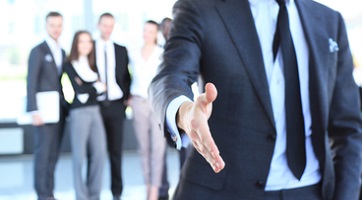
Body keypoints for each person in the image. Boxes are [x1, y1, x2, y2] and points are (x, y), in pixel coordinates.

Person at [149, 0, 362, 199]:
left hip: (311, 191)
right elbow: (170, 75)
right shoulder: (201, 8)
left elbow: (348, 127)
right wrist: (183, 110)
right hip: (224, 189)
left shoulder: (329, 20)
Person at [26, 11, 66, 200]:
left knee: (53, 155)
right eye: (52, 25)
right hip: (43, 112)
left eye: (59, 25)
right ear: (46, 26)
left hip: (57, 111)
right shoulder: (38, 51)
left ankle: (49, 192)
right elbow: (31, 82)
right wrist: (34, 111)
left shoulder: (62, 51)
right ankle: (42, 194)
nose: (56, 29)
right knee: (42, 154)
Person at [63, 30, 107, 200]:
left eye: (88, 41)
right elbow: (79, 91)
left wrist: (90, 89)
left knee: (99, 153)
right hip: (78, 113)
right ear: (76, 44)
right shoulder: (69, 64)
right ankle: (81, 196)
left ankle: (94, 195)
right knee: (79, 157)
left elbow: (97, 90)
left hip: (95, 111)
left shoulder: (93, 64)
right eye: (82, 41)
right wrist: (95, 87)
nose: (86, 45)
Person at [94, 12, 131, 200]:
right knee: (96, 151)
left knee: (116, 151)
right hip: (96, 106)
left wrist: (126, 97)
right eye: (104, 25)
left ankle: (117, 192)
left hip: (117, 106)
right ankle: (94, 191)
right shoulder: (89, 48)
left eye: (111, 25)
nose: (107, 29)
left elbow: (126, 76)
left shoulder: (121, 49)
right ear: (98, 26)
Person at [129, 20, 166, 200]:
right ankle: (147, 185)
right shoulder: (134, 53)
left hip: (156, 103)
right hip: (138, 102)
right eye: (145, 30)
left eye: (150, 31)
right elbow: (127, 76)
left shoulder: (162, 53)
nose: (147, 34)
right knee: (143, 148)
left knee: (157, 148)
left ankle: (154, 190)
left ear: (156, 33)